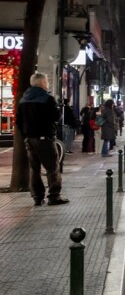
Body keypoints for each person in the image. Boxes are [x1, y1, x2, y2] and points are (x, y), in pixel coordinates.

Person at [15, 72, 68, 206]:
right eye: (47, 82)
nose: (48, 84)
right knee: (52, 167)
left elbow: (18, 122)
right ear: (43, 83)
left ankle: (37, 197)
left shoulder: (23, 99)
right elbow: (56, 117)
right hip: (45, 137)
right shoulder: (47, 98)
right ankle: (54, 196)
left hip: (29, 139)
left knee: (35, 169)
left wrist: (26, 134)